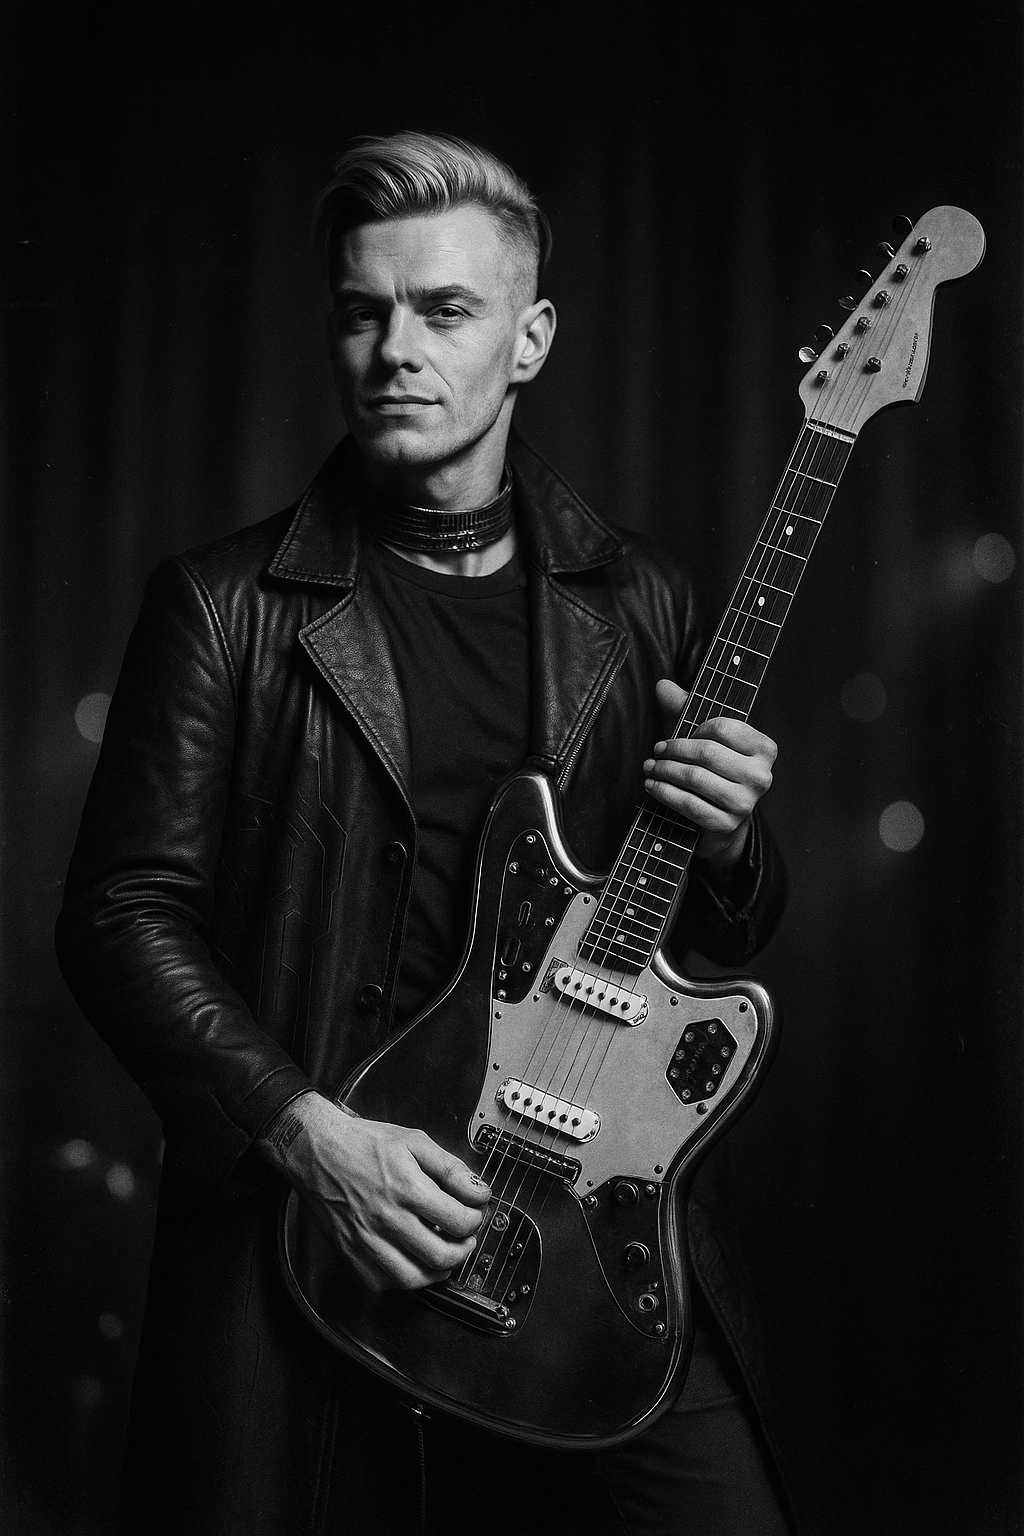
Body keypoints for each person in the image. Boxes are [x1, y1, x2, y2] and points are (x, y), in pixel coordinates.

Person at [56, 131, 794, 1534]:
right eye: (362, 310)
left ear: (531, 338)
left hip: (583, 1228)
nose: (396, 347)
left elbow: (713, 946)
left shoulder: (640, 598)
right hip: (320, 1230)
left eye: (443, 310)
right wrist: (309, 1137)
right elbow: (117, 913)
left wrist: (728, 841)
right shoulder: (225, 607)